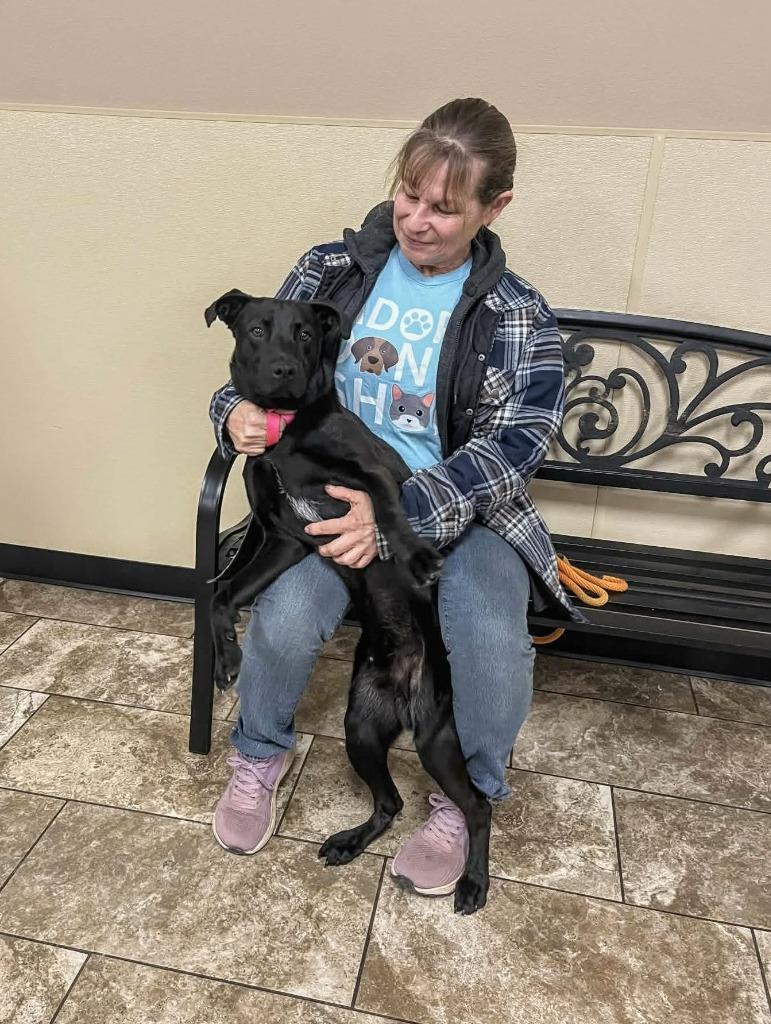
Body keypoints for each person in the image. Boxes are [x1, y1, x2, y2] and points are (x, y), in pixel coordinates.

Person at [208, 97, 581, 896]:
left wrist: (392, 516)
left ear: (493, 208)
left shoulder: (516, 315)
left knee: (489, 640)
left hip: (461, 516)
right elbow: (267, 364)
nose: (416, 219)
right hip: (328, 499)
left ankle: (462, 800)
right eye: (409, 194)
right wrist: (232, 411)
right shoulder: (329, 271)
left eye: (444, 208)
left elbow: (514, 448)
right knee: (284, 618)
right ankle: (259, 753)